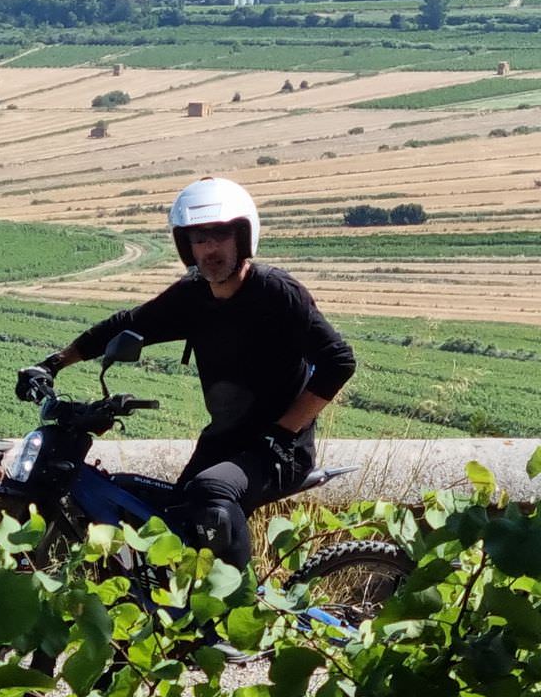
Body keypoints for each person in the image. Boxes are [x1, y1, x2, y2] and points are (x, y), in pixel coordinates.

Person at [18, 175, 356, 573]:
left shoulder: (276, 293)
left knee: (211, 494)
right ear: (186, 246)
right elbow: (127, 324)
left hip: (278, 450)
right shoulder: (192, 296)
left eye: (219, 237)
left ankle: (243, 612)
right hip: (223, 443)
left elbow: (338, 361)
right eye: (199, 239)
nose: (210, 249)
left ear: (242, 238)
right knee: (162, 516)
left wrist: (283, 433)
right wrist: (53, 364)